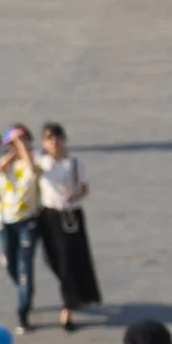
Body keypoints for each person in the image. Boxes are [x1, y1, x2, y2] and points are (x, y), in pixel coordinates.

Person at [0, 126, 44, 334]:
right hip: (4, 222)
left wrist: (22, 148)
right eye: (12, 143)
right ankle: (24, 289)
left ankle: (23, 309)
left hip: (28, 221)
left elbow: (33, 172)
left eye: (21, 140)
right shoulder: (4, 166)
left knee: (25, 265)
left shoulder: (36, 160)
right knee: (11, 263)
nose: (16, 146)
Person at [35, 123, 103, 331]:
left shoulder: (73, 163)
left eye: (57, 137)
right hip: (48, 216)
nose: (54, 142)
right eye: (49, 138)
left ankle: (67, 308)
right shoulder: (42, 161)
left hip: (70, 215)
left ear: (64, 139)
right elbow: (30, 167)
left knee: (68, 261)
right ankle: (74, 292)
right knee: (52, 259)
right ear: (43, 142)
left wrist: (77, 195)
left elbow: (85, 188)